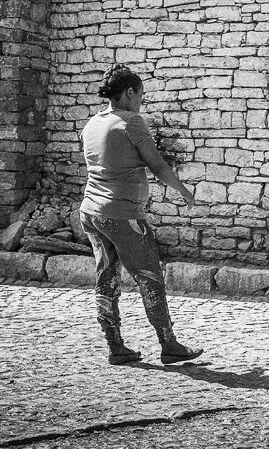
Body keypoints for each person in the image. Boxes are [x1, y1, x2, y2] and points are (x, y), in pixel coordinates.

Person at [79, 64, 203, 365]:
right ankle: (168, 343)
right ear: (129, 92)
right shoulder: (132, 122)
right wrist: (185, 192)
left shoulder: (92, 124)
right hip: (123, 214)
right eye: (140, 96)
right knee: (150, 277)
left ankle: (115, 346)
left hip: (91, 213)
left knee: (105, 279)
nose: (141, 102)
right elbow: (158, 166)